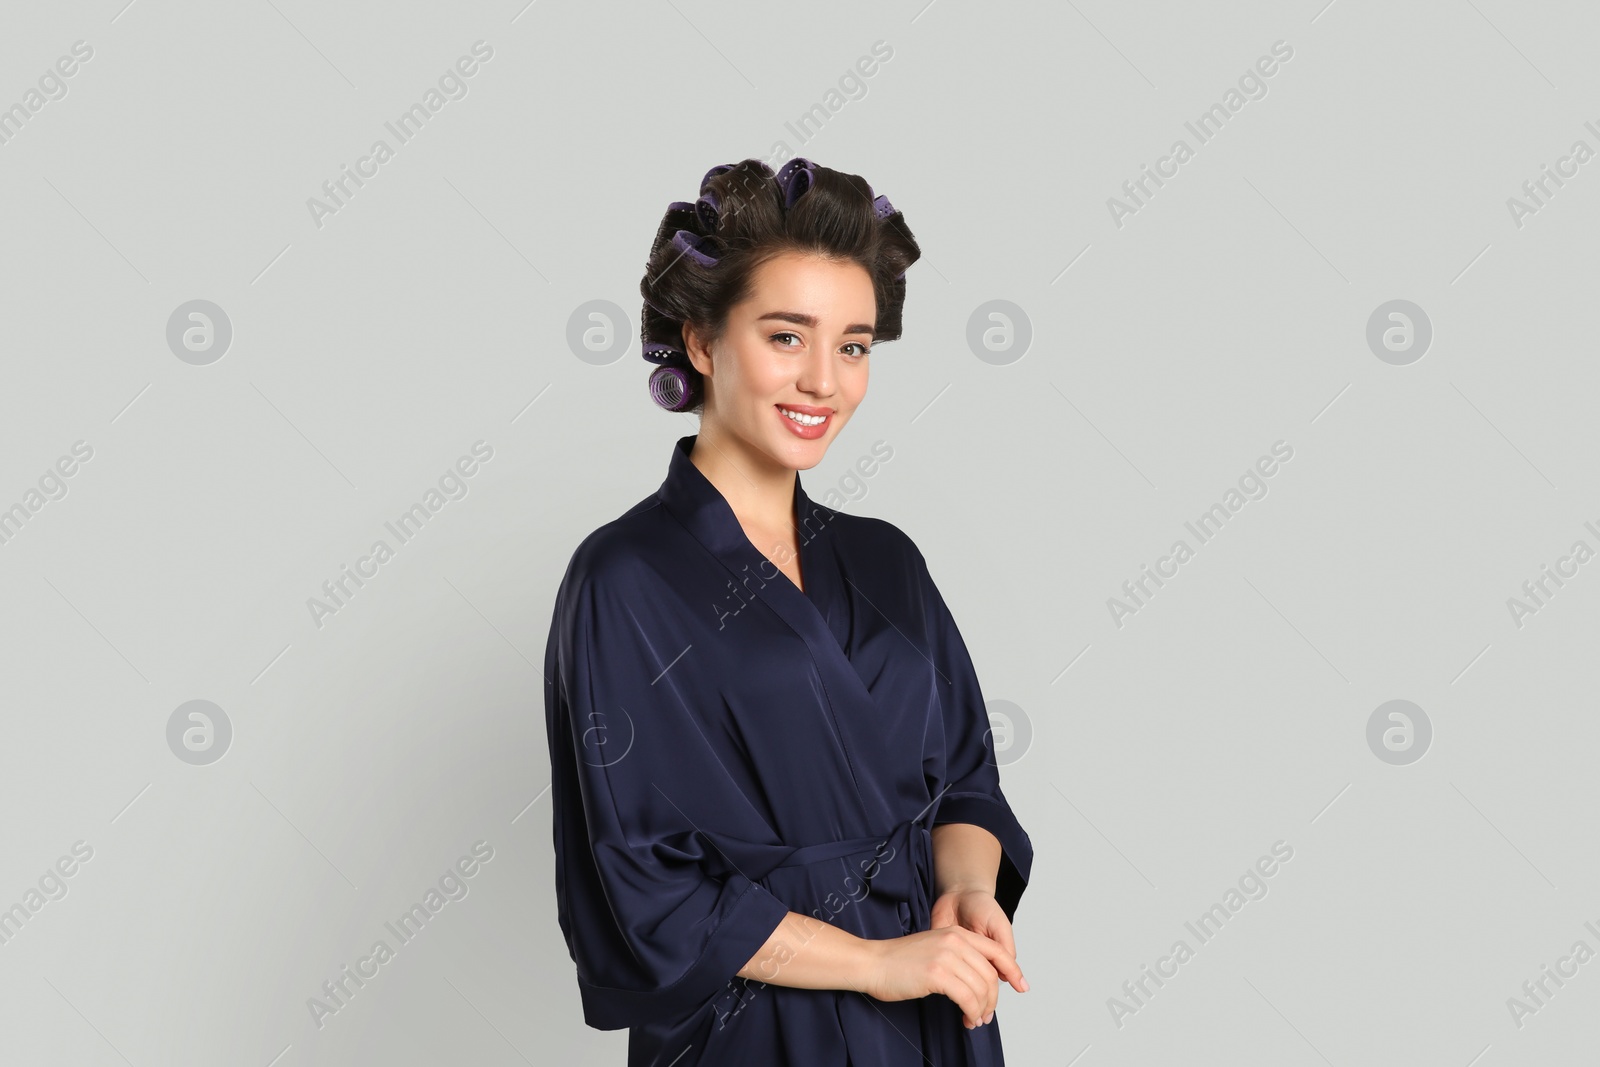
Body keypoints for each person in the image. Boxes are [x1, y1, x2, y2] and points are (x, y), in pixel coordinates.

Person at [543, 157, 1033, 1066]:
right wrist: (873, 963)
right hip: (755, 1027)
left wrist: (967, 890)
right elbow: (646, 882)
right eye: (785, 336)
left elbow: (965, 775)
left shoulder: (886, 558)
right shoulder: (624, 578)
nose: (823, 381)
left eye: (853, 346)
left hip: (932, 1002)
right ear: (700, 340)